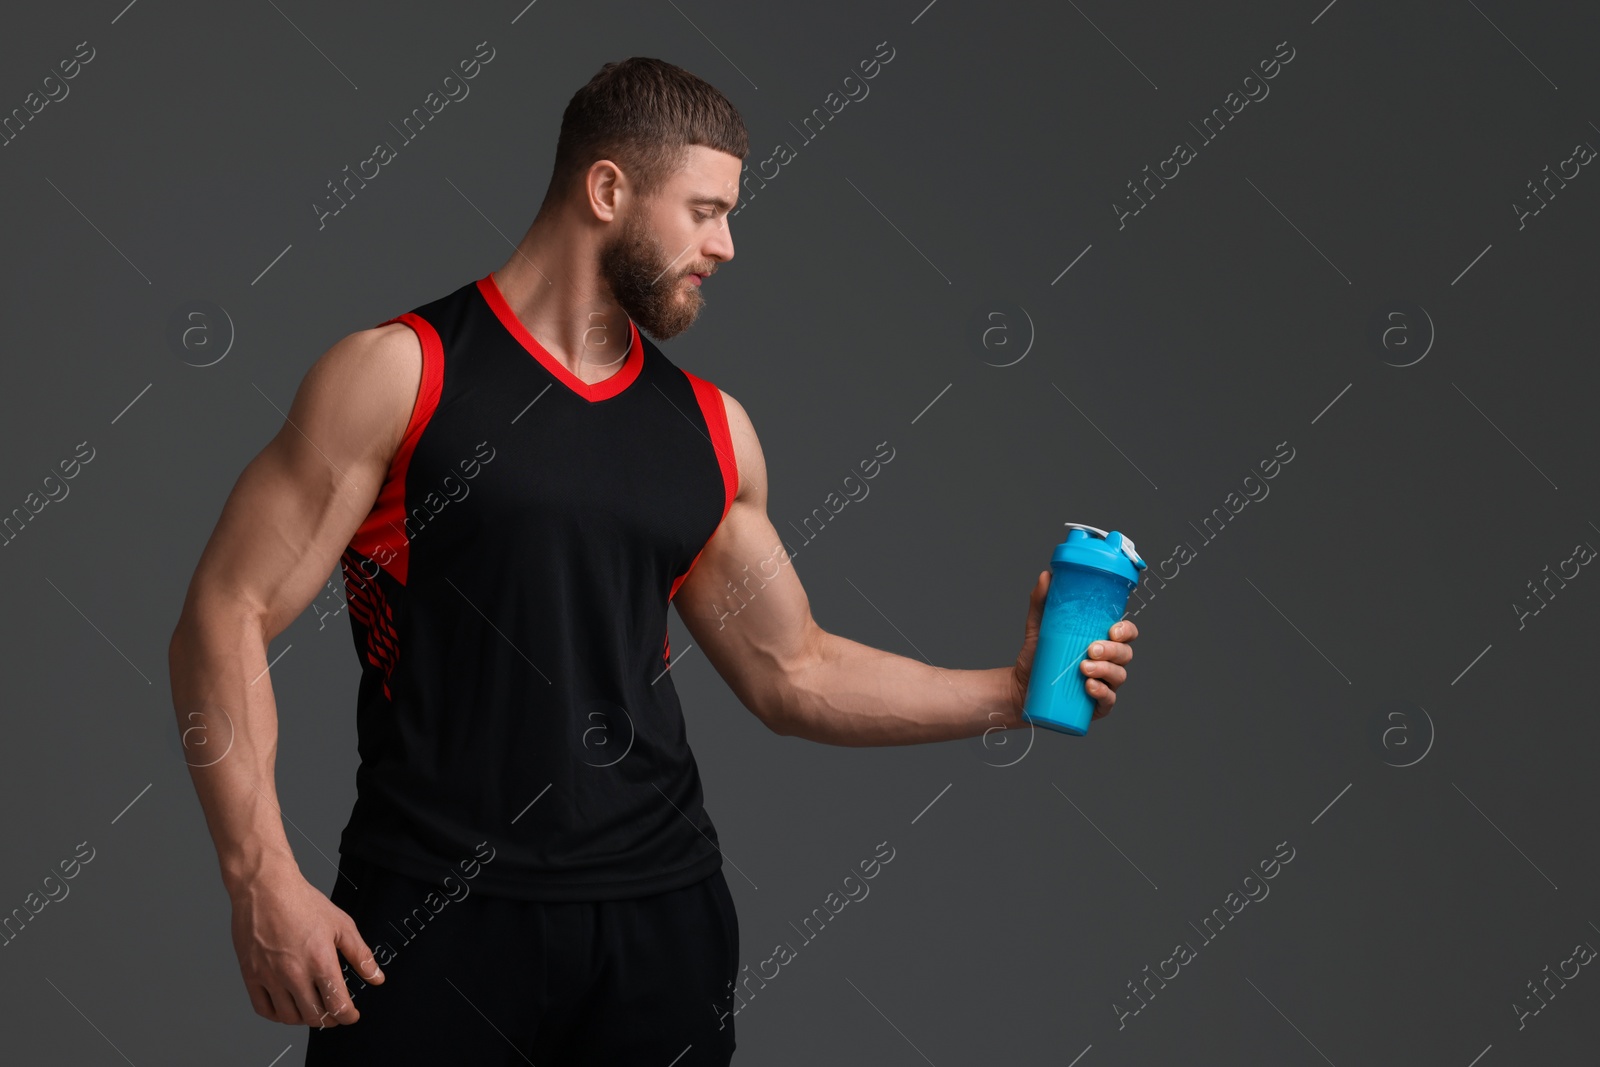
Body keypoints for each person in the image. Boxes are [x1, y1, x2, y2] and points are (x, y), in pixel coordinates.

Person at [166, 56, 1138, 1066]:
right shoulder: (400, 374)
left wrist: (1012, 689)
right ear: (607, 189)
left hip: (659, 921)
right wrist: (259, 875)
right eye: (706, 211)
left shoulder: (710, 430)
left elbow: (791, 667)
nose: (725, 244)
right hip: (433, 916)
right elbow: (222, 613)